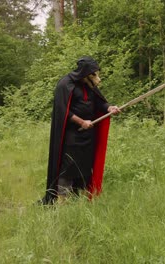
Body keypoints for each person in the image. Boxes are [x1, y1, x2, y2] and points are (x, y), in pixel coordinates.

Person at [41, 56, 120, 205]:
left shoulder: (89, 85)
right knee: (68, 166)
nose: (96, 78)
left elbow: (99, 103)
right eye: (93, 74)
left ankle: (78, 200)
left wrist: (109, 107)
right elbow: (62, 111)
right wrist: (81, 122)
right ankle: (61, 200)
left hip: (88, 135)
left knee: (84, 166)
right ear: (84, 73)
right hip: (70, 135)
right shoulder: (65, 84)